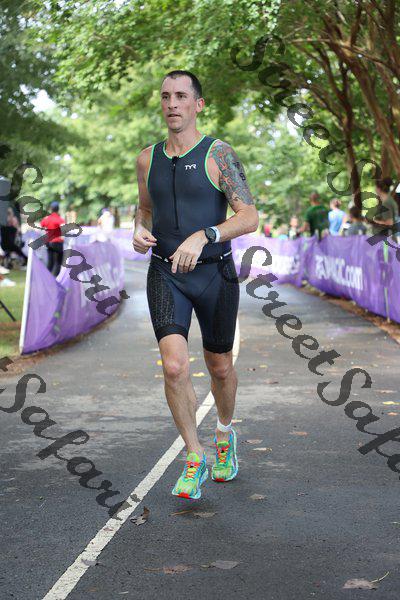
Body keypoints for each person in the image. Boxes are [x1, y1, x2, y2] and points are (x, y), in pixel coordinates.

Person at [133, 70, 259, 500]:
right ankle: (193, 456)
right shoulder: (146, 159)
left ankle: (224, 433)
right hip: (165, 273)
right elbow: (144, 208)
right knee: (174, 366)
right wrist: (138, 229)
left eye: (181, 96)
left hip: (214, 273)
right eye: (166, 96)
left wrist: (206, 234)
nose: (172, 104)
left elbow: (249, 216)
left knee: (219, 365)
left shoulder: (219, 154)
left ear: (198, 105)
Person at [368, 177, 399, 241]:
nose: (375, 189)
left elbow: (389, 223)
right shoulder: (388, 200)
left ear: (379, 189)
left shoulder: (386, 203)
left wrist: (374, 221)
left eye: (376, 187)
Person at [40, 201, 65, 277]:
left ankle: (47, 277)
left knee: (50, 262)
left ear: (51, 209)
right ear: (58, 209)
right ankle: (55, 277)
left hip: (48, 242)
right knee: (58, 262)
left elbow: (41, 226)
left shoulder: (46, 219)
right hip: (57, 242)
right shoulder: (60, 219)